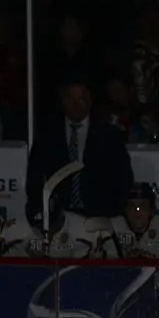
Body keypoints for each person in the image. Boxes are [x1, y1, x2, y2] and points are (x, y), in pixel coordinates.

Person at [25, 76, 133, 226]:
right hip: (56, 219)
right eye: (70, 98)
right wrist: (43, 212)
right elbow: (34, 178)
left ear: (90, 100)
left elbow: (123, 179)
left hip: (100, 217)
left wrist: (109, 211)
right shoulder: (47, 135)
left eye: (81, 98)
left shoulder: (109, 136)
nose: (76, 104)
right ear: (62, 101)